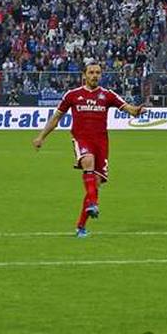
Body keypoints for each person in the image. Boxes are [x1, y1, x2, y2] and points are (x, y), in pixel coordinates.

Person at [32, 61, 145, 237]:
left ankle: (81, 227)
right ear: (84, 75)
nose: (94, 75)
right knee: (88, 161)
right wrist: (41, 136)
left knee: (96, 184)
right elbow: (56, 118)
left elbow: (127, 108)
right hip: (81, 139)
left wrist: (136, 111)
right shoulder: (73, 95)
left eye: (97, 73)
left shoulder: (107, 95)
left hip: (101, 143)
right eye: (91, 72)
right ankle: (93, 203)